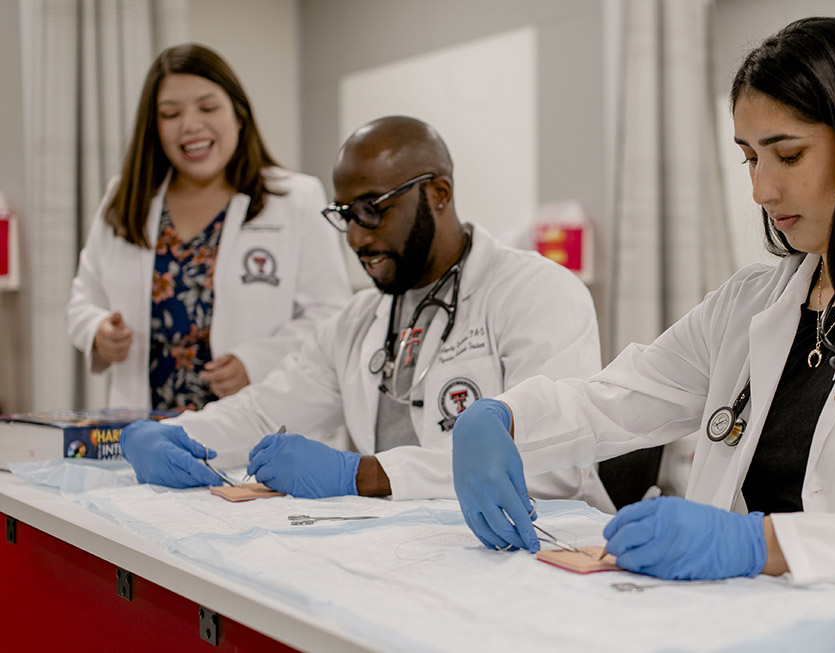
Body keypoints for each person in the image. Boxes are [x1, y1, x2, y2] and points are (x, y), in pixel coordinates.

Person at [451, 16, 835, 589]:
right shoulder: (752, 302)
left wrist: (761, 544)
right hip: (748, 619)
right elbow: (617, 399)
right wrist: (502, 417)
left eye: (788, 155)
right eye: (748, 157)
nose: (760, 189)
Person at [117, 116, 613, 510]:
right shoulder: (357, 322)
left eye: (373, 209)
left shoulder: (536, 293)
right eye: (345, 214)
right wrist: (176, 434)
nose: (356, 237)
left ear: (438, 193)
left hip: (538, 560)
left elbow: (550, 465)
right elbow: (266, 411)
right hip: (414, 556)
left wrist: (361, 474)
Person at [67, 43, 351, 410]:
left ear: (238, 114)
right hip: (145, 429)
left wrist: (256, 361)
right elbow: (83, 300)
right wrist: (97, 331)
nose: (190, 125)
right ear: (154, 127)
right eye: (170, 113)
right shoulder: (125, 198)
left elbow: (330, 317)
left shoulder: (295, 198)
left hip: (252, 428)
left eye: (207, 107)